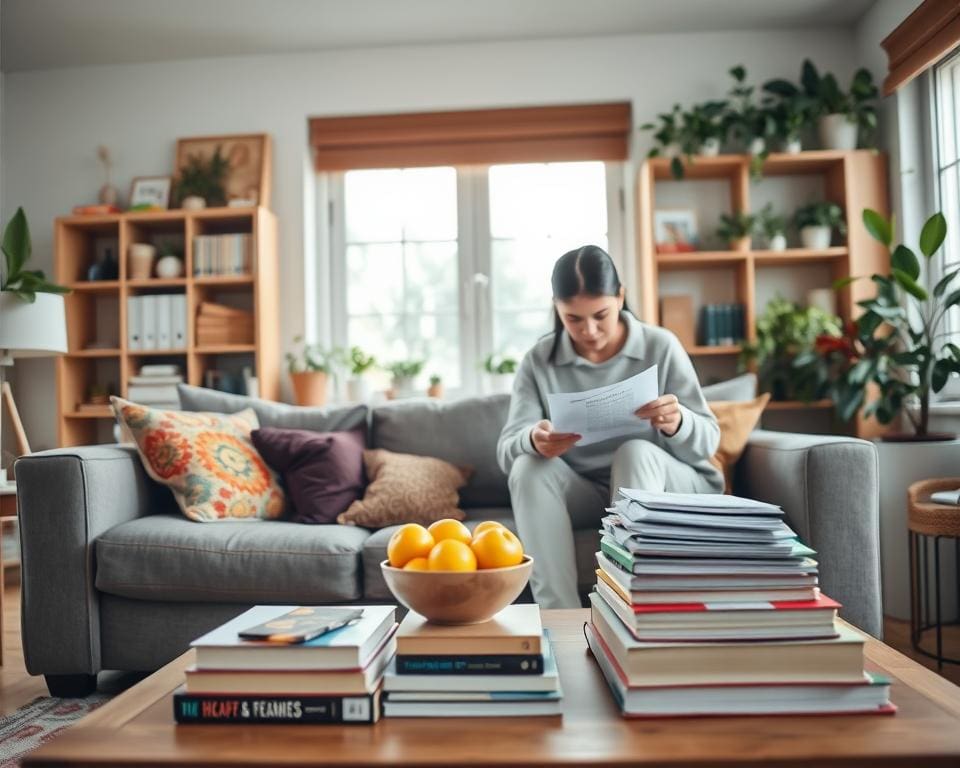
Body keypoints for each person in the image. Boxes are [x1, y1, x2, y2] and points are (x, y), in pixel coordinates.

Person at [496, 244, 723, 609]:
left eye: (601, 315)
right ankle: (560, 618)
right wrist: (532, 440)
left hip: (667, 482)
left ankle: (628, 608)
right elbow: (507, 452)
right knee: (527, 466)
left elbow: (709, 443)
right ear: (556, 308)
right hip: (586, 492)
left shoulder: (660, 345)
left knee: (633, 453)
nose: (589, 330)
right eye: (573, 319)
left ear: (621, 296)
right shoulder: (539, 360)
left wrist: (677, 422)